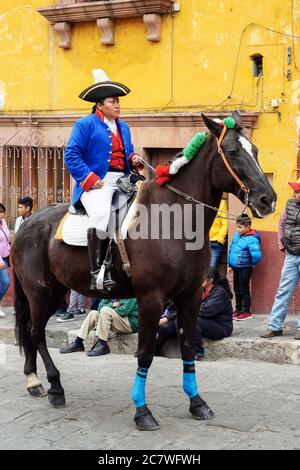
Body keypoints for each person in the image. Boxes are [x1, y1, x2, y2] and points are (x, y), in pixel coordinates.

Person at [64, 70, 143, 292]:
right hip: (97, 183)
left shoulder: (123, 126)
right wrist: (89, 178)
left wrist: (133, 158)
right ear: (100, 105)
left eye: (118, 101)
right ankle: (97, 270)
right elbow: (70, 155)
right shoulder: (85, 124)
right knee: (102, 215)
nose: (118, 105)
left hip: (123, 180)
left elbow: (125, 152)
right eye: (112, 101)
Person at [261, 179, 300, 340]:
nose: (294, 194)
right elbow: (281, 225)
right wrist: (280, 244)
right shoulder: (289, 205)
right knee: (283, 291)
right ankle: (274, 326)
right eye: (294, 191)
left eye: (297, 192)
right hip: (291, 255)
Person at [59, 298, 138, 356]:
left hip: (129, 323)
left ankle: (103, 345)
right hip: (116, 319)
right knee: (93, 313)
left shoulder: (129, 292)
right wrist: (112, 305)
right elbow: (100, 307)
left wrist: (107, 309)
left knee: (105, 310)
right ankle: (78, 342)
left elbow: (123, 311)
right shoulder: (110, 291)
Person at [228, 213, 262, 321]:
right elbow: (232, 249)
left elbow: (257, 254)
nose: (238, 229)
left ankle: (246, 311)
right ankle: (238, 309)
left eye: (240, 227)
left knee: (244, 289)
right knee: (236, 288)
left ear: (248, 227)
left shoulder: (252, 239)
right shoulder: (237, 235)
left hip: (245, 267)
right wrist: (230, 264)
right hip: (236, 266)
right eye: (237, 226)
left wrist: (252, 263)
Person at [195, 268, 233, 360]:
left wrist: (191, 310)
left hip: (221, 326)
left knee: (193, 320)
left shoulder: (220, 293)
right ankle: (186, 348)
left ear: (210, 280)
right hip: (209, 322)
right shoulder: (202, 290)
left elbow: (206, 311)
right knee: (178, 320)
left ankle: (198, 352)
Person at [209, 197, 228, 269]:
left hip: (215, 242)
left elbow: (225, 223)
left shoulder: (221, 203)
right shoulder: (201, 200)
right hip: (201, 242)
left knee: (211, 270)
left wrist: (219, 240)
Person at [0, 203, 11, 317]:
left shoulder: (3, 223)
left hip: (4, 257)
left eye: (2, 212)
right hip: (0, 260)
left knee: (5, 282)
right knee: (5, 281)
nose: (1, 214)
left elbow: (7, 238)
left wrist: (8, 249)